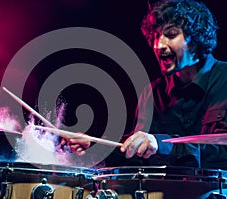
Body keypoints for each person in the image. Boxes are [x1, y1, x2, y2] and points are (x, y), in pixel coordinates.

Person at [66, 0, 227, 170]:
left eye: (170, 35)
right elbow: (136, 157)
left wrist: (164, 145)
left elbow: (220, 152)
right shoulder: (152, 93)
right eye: (155, 37)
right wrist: (94, 145)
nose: (158, 45)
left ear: (196, 38)